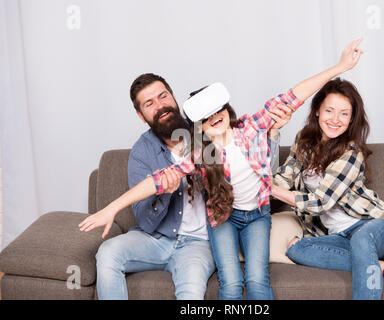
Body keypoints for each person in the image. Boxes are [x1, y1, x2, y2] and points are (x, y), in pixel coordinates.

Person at [79, 38, 364, 299]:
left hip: (256, 217)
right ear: (199, 125)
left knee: (256, 280)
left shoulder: (251, 128)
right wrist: (111, 208)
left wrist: (339, 66)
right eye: (206, 116)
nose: (214, 117)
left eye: (218, 110)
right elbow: (153, 182)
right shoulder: (201, 153)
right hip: (222, 220)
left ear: (227, 110)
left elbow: (293, 95)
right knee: (229, 283)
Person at [81, 73, 291, 300]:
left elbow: (259, 166)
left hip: (198, 244)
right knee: (108, 252)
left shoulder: (207, 129)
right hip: (156, 240)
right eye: (149, 104)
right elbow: (144, 219)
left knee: (191, 294)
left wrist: (273, 133)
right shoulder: (142, 153)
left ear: (173, 97)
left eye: (163, 96)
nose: (160, 106)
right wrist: (163, 195)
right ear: (141, 115)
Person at [271, 77, 384, 300]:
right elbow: (283, 177)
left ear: (351, 119)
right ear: (317, 110)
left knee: (361, 239)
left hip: (375, 227)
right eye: (329, 110)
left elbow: (320, 203)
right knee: (295, 249)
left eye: (344, 114)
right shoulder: (304, 141)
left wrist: (268, 189)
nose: (335, 120)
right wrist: (272, 135)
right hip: (339, 236)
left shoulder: (351, 153)